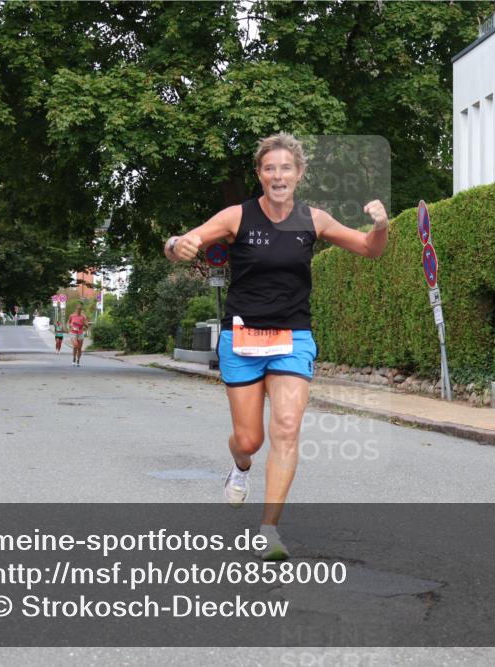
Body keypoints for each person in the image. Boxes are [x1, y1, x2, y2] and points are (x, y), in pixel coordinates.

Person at [164, 132, 389, 560]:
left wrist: (380, 226)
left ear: (299, 174)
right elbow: (178, 244)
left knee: (286, 429)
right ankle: (240, 465)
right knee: (249, 440)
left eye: (286, 168)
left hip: (292, 337)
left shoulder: (314, 219)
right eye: (270, 168)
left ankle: (268, 530)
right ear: (259, 174)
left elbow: (368, 249)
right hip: (242, 336)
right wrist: (178, 245)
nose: (278, 175)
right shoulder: (237, 216)